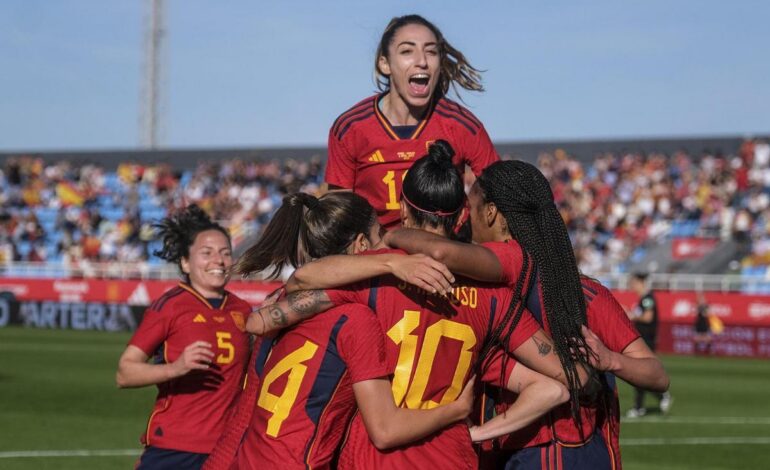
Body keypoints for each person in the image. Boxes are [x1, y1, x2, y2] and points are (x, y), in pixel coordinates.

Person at [251, 142, 580, 469]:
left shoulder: (371, 278)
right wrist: (480, 432)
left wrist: (387, 262)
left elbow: (282, 302)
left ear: (403, 209)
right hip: (451, 457)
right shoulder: (494, 295)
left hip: (374, 459)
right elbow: (566, 378)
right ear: (461, 215)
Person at [384, 160, 669, 469]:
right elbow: (657, 374)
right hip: (584, 449)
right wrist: (612, 361)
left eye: (471, 208)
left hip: (544, 451)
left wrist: (389, 240)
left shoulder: (512, 257)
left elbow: (440, 252)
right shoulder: (588, 292)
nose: (466, 218)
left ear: (491, 212)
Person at [325, 14, 499, 230]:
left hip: (446, 247)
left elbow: (503, 195)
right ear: (384, 64)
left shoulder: (463, 126)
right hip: (377, 249)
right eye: (407, 51)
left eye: (431, 52)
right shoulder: (350, 128)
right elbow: (338, 219)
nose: (422, 61)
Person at [115, 205, 252, 470]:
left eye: (225, 253)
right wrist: (176, 368)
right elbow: (124, 373)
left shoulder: (243, 310)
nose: (219, 260)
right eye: (207, 253)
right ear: (186, 262)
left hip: (228, 448)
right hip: (175, 447)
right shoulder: (170, 306)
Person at [626, 272, 672, 418]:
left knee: (639, 373)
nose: (632, 286)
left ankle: (641, 406)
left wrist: (633, 316)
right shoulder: (643, 299)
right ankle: (657, 397)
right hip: (642, 340)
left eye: (634, 283)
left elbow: (648, 317)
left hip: (646, 341)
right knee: (639, 373)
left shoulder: (647, 298)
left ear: (641, 283)